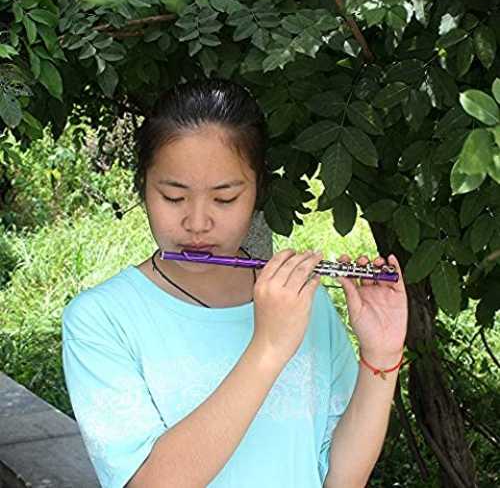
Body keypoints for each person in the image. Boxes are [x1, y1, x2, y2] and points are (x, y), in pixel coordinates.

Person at [62, 78, 408, 488]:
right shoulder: (101, 320)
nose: (197, 223)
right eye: (173, 197)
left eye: (224, 198)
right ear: (143, 187)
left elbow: (342, 478)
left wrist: (381, 356)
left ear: (257, 192)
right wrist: (268, 348)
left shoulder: (301, 301)